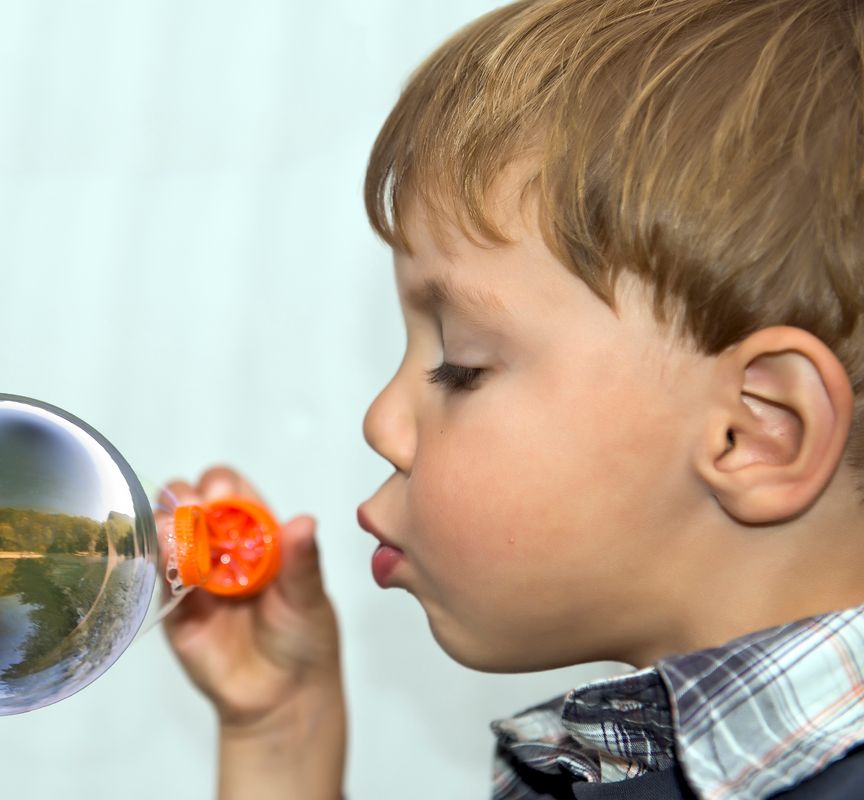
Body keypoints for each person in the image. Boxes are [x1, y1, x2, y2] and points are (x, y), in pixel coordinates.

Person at [161, 0, 864, 797]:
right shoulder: (625, 770)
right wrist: (282, 731)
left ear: (755, 432)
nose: (382, 424)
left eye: (461, 366)